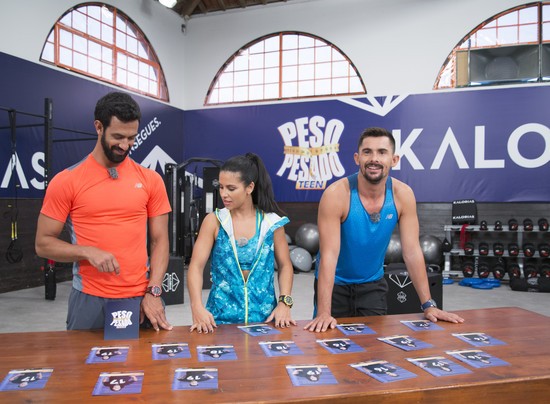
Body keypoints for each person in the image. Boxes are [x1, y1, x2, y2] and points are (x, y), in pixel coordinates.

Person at [35, 91, 172, 332]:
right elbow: (43, 244)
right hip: (89, 298)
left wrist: (154, 290)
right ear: (99, 127)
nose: (125, 145)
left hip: (140, 298)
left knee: (148, 358)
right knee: (82, 358)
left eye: (131, 138)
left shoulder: (151, 180)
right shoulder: (66, 181)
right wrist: (87, 251)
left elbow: (160, 240)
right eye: (118, 137)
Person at [304, 127, 464, 332]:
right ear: (357, 158)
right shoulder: (336, 195)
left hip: (373, 285)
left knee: (373, 346)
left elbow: (412, 251)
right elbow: (329, 255)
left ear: (394, 160)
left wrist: (428, 305)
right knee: (328, 343)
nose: (374, 159)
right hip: (334, 286)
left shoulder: (403, 195)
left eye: (382, 152)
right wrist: (324, 312)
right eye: (367, 152)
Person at [187, 153, 295, 332]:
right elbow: (196, 267)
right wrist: (196, 307)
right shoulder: (215, 221)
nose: (224, 194)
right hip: (218, 321)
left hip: (264, 319)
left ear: (249, 187)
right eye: (221, 187)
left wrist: (285, 302)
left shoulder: (271, 223)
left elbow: (285, 266)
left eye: (231, 188)